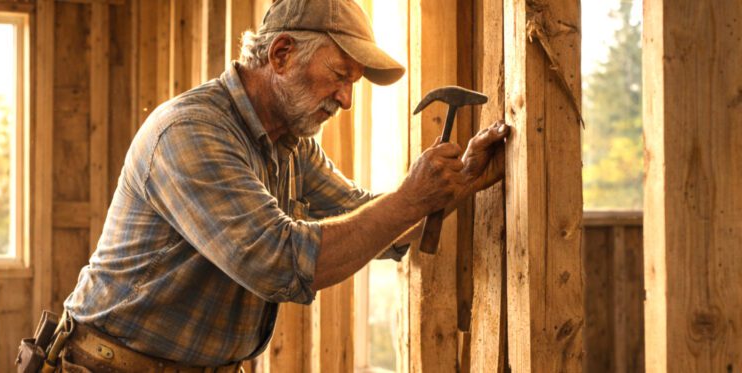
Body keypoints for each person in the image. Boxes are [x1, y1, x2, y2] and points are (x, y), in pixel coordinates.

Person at [58, 0, 510, 371]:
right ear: (281, 54)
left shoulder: (290, 144)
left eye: (353, 84)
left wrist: (461, 181)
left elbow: (369, 218)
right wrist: (412, 198)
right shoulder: (190, 131)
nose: (346, 100)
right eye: (340, 75)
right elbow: (275, 262)